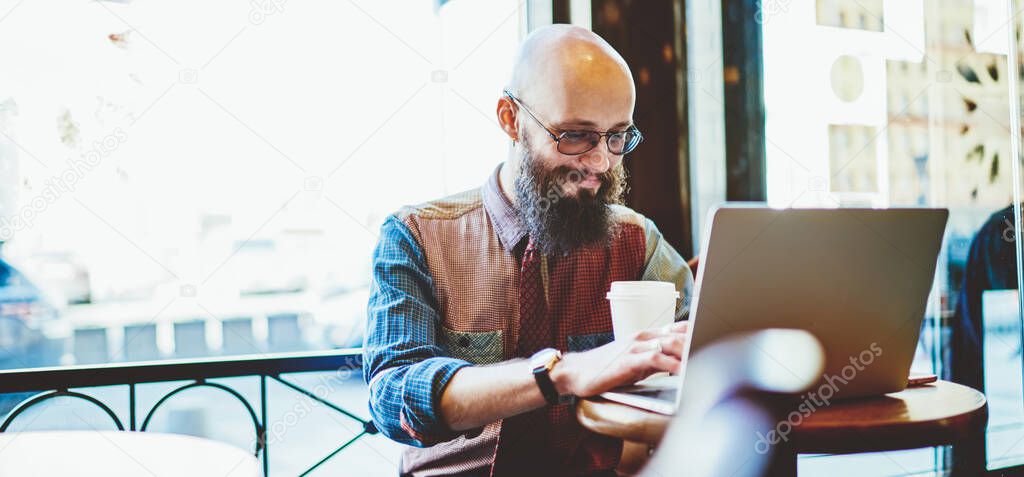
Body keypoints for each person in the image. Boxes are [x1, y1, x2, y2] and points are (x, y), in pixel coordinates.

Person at [363, 24, 693, 477]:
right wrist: (562, 374)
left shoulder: (638, 242)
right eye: (576, 135)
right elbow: (393, 397)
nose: (600, 162)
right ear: (510, 118)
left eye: (617, 137)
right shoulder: (418, 236)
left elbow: (706, 366)